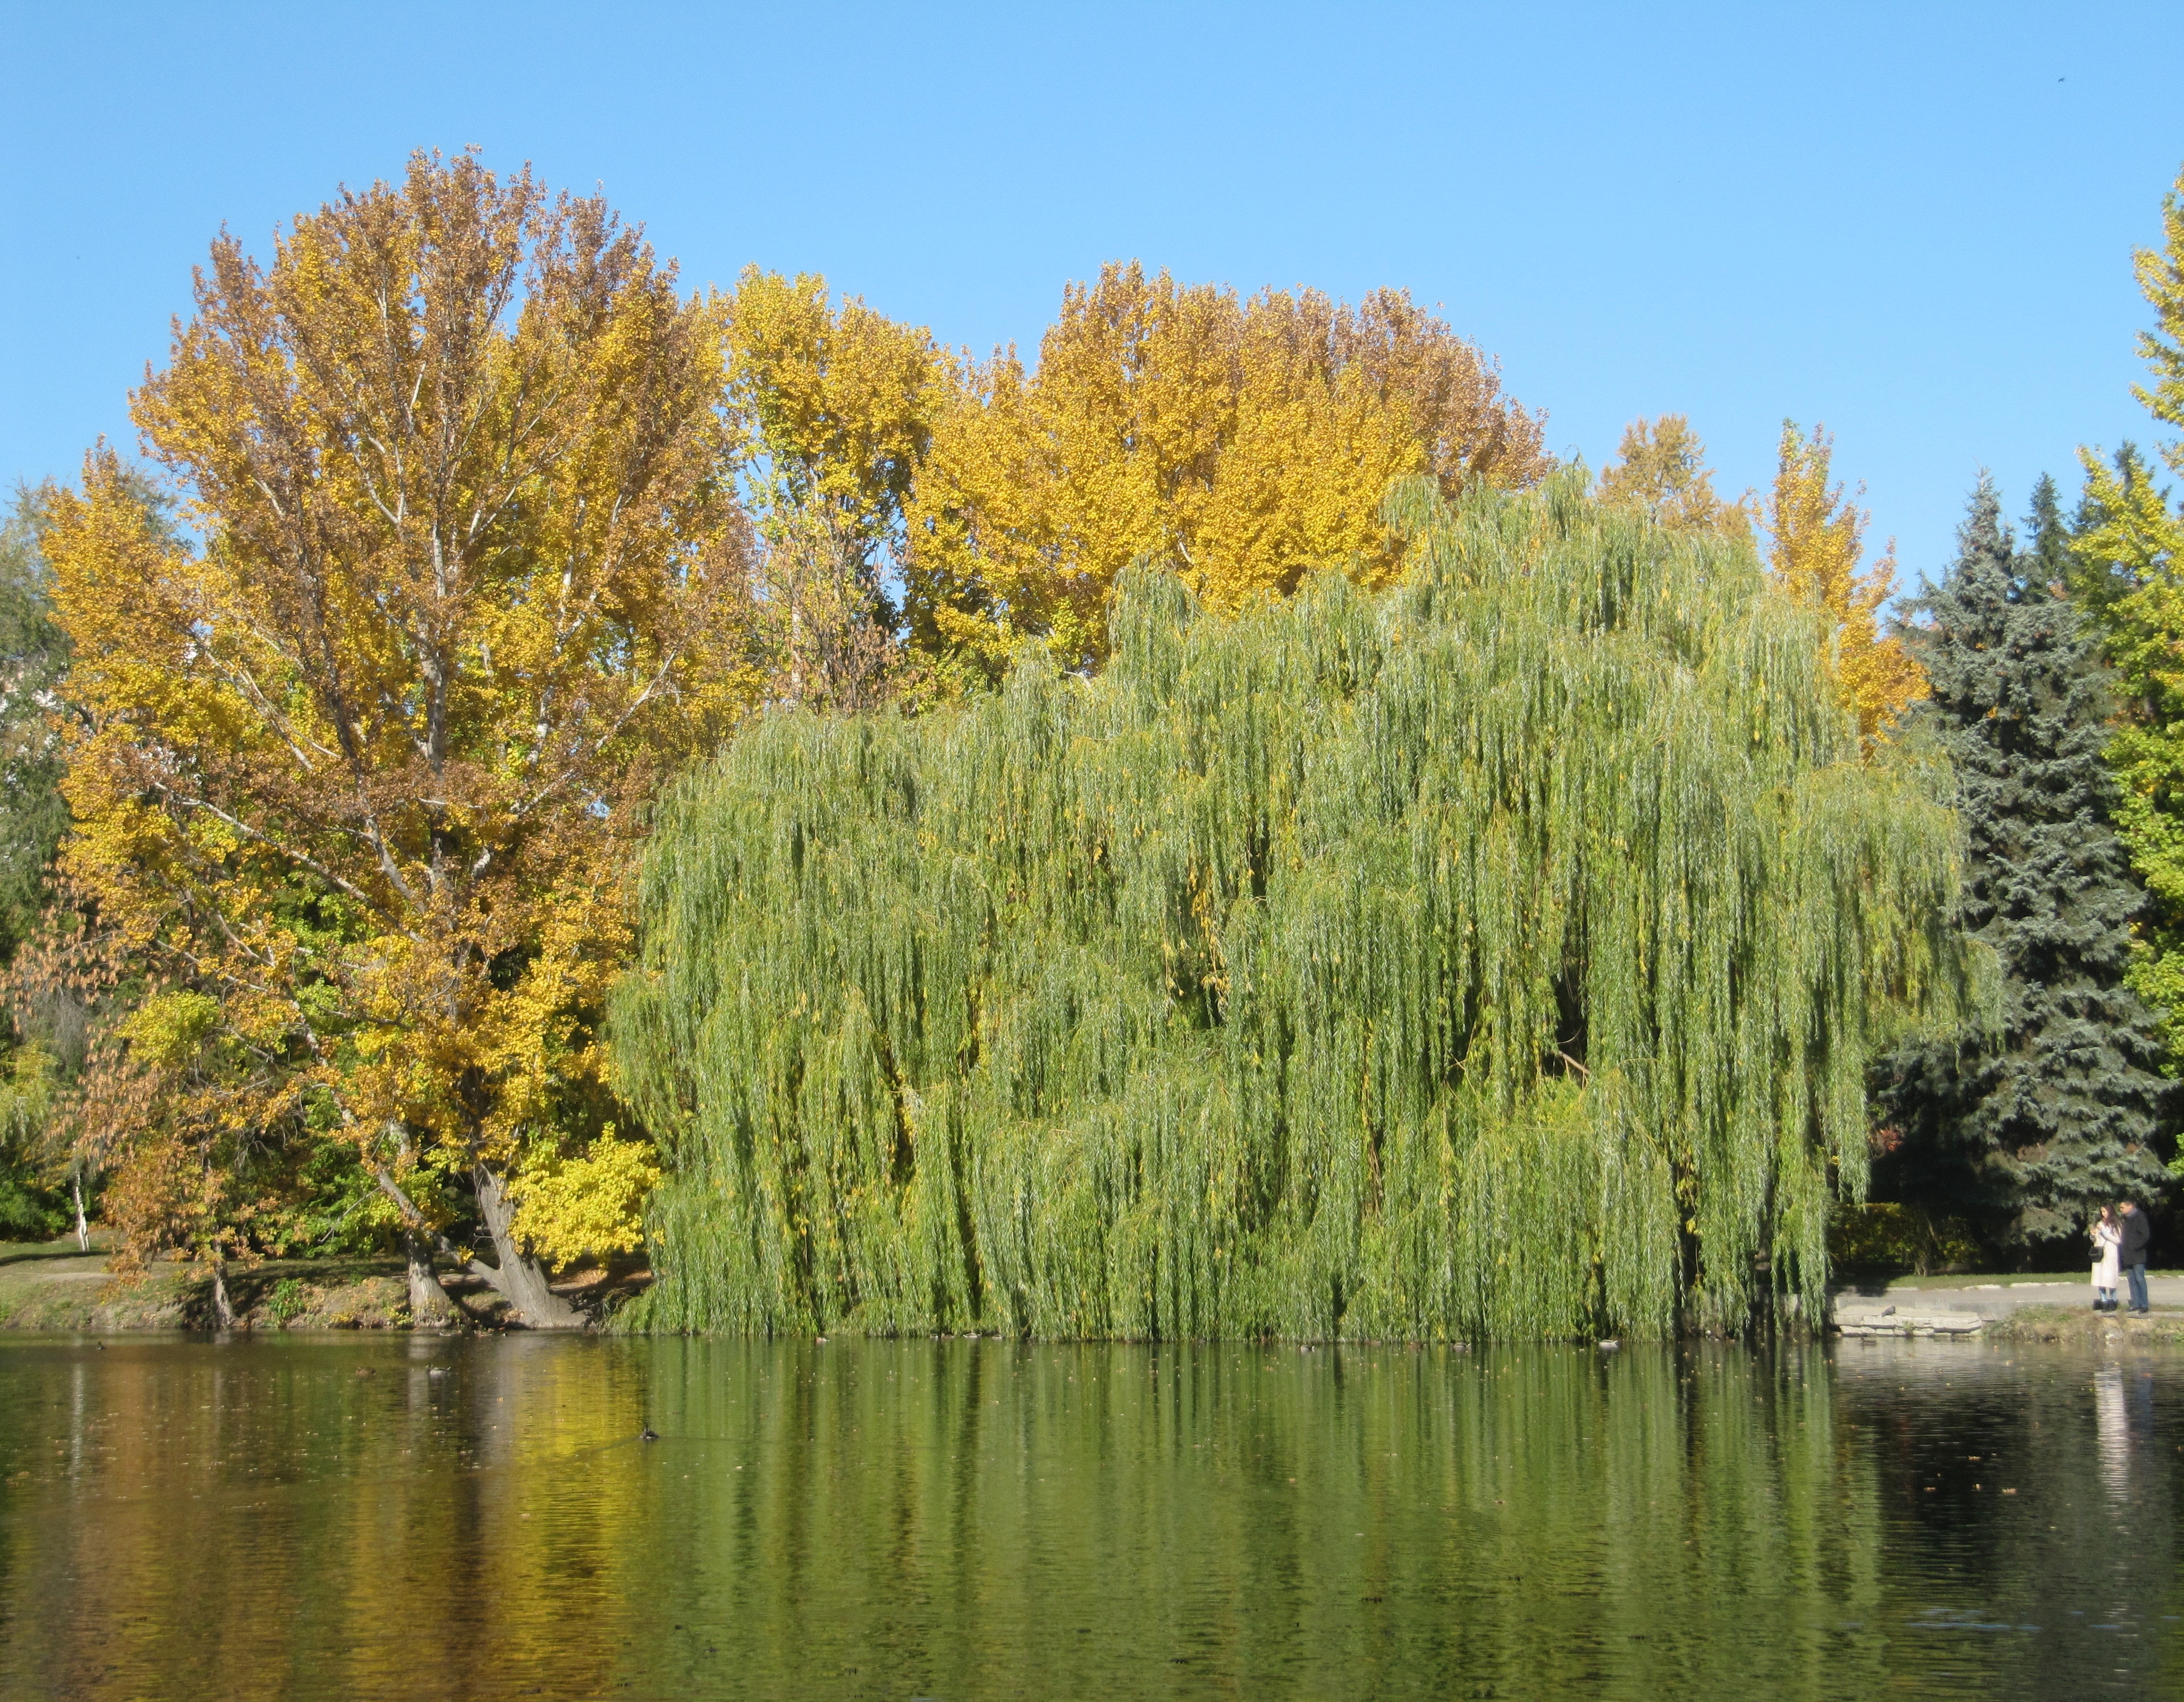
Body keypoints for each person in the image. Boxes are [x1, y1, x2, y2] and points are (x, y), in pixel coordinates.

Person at [2118, 1198, 2152, 1315]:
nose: (2121, 1210)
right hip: (2127, 1255)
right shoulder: (2125, 1219)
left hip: (2137, 1255)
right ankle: (2135, 1303)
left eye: (2122, 1207)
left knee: (2139, 1279)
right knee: (2131, 1280)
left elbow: (2145, 1236)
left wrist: (2134, 1246)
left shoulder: (2139, 1217)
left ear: (2130, 1206)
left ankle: (2144, 1304)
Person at [2093, 1206, 2123, 1312]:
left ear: (2110, 1211)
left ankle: (2113, 1300)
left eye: (2105, 1211)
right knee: (2100, 1278)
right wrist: (2094, 1235)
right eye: (2101, 1212)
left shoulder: (2116, 1224)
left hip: (2110, 1253)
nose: (2103, 1214)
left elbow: (2118, 1240)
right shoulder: (2100, 1223)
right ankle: (2104, 1301)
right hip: (2100, 1253)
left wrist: (2104, 1232)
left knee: (2110, 1278)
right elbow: (2096, 1239)